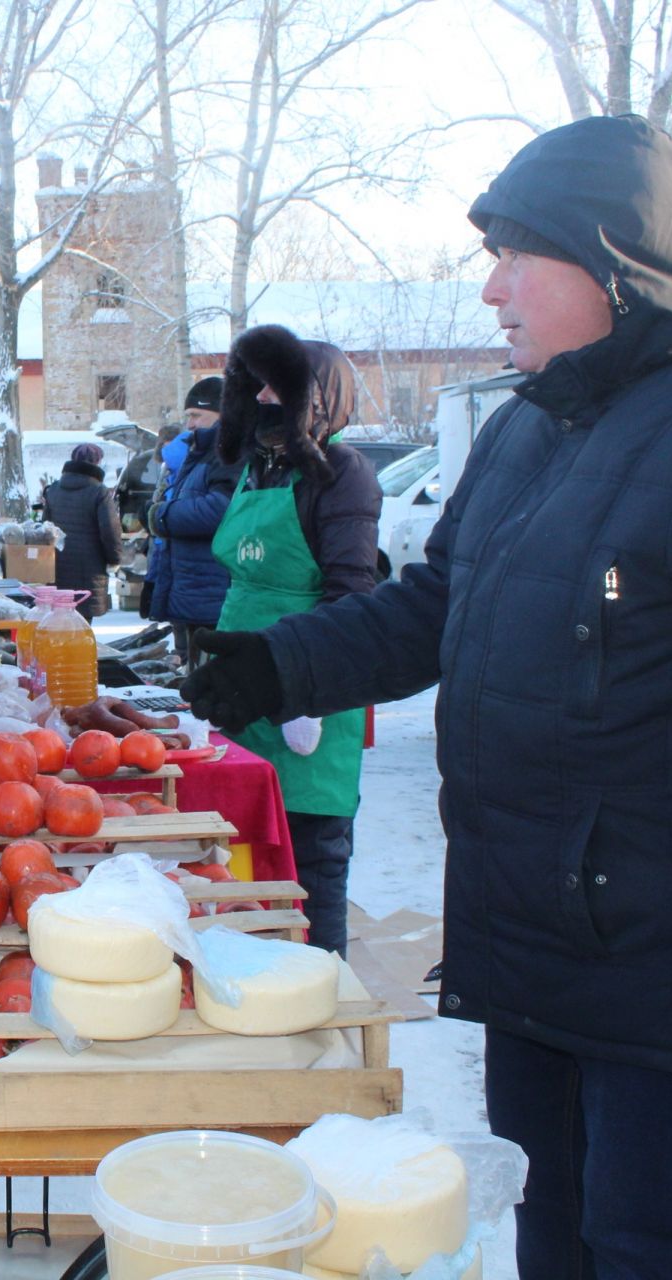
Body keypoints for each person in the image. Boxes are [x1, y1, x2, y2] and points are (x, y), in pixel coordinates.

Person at [183, 115, 672, 1278]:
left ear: (617, 264)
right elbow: (432, 605)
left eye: (519, 255)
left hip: (668, 960)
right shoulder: (526, 431)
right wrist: (278, 664)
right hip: (534, 933)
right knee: (548, 1224)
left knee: (644, 1239)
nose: (493, 289)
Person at [206, 330, 378, 956]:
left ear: (316, 397)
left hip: (311, 700)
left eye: (281, 385)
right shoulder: (258, 469)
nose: (266, 397)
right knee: (247, 852)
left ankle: (321, 982)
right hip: (249, 688)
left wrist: (310, 691)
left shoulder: (342, 474)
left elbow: (352, 592)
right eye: (258, 385)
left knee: (311, 861)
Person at [144, 377, 241, 666]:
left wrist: (159, 515)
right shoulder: (200, 453)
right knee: (196, 676)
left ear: (224, 414)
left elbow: (219, 509)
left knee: (213, 680)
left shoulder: (229, 454)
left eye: (197, 415)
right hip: (194, 589)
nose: (190, 424)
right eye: (188, 416)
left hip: (213, 592)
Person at [41, 442, 122, 618]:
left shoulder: (53, 489)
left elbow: (45, 528)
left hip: (57, 564)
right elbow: (109, 530)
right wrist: (114, 558)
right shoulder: (99, 492)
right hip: (90, 566)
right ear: (98, 462)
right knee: (82, 620)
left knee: (58, 618)